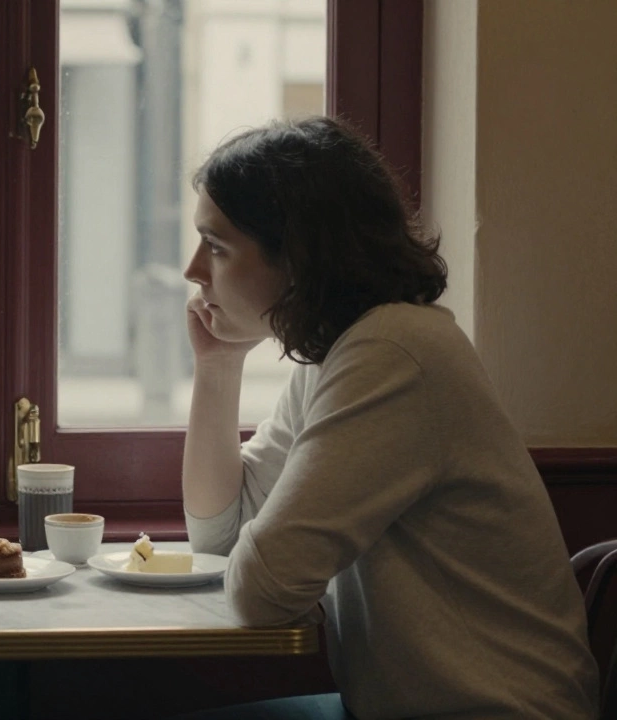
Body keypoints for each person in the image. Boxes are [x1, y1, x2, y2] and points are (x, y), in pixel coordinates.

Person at [178, 116, 599, 719]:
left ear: (299, 254)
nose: (194, 270)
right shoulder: (341, 351)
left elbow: (261, 592)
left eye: (216, 247)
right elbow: (219, 539)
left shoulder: (391, 355)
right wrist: (218, 368)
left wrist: (274, 553)